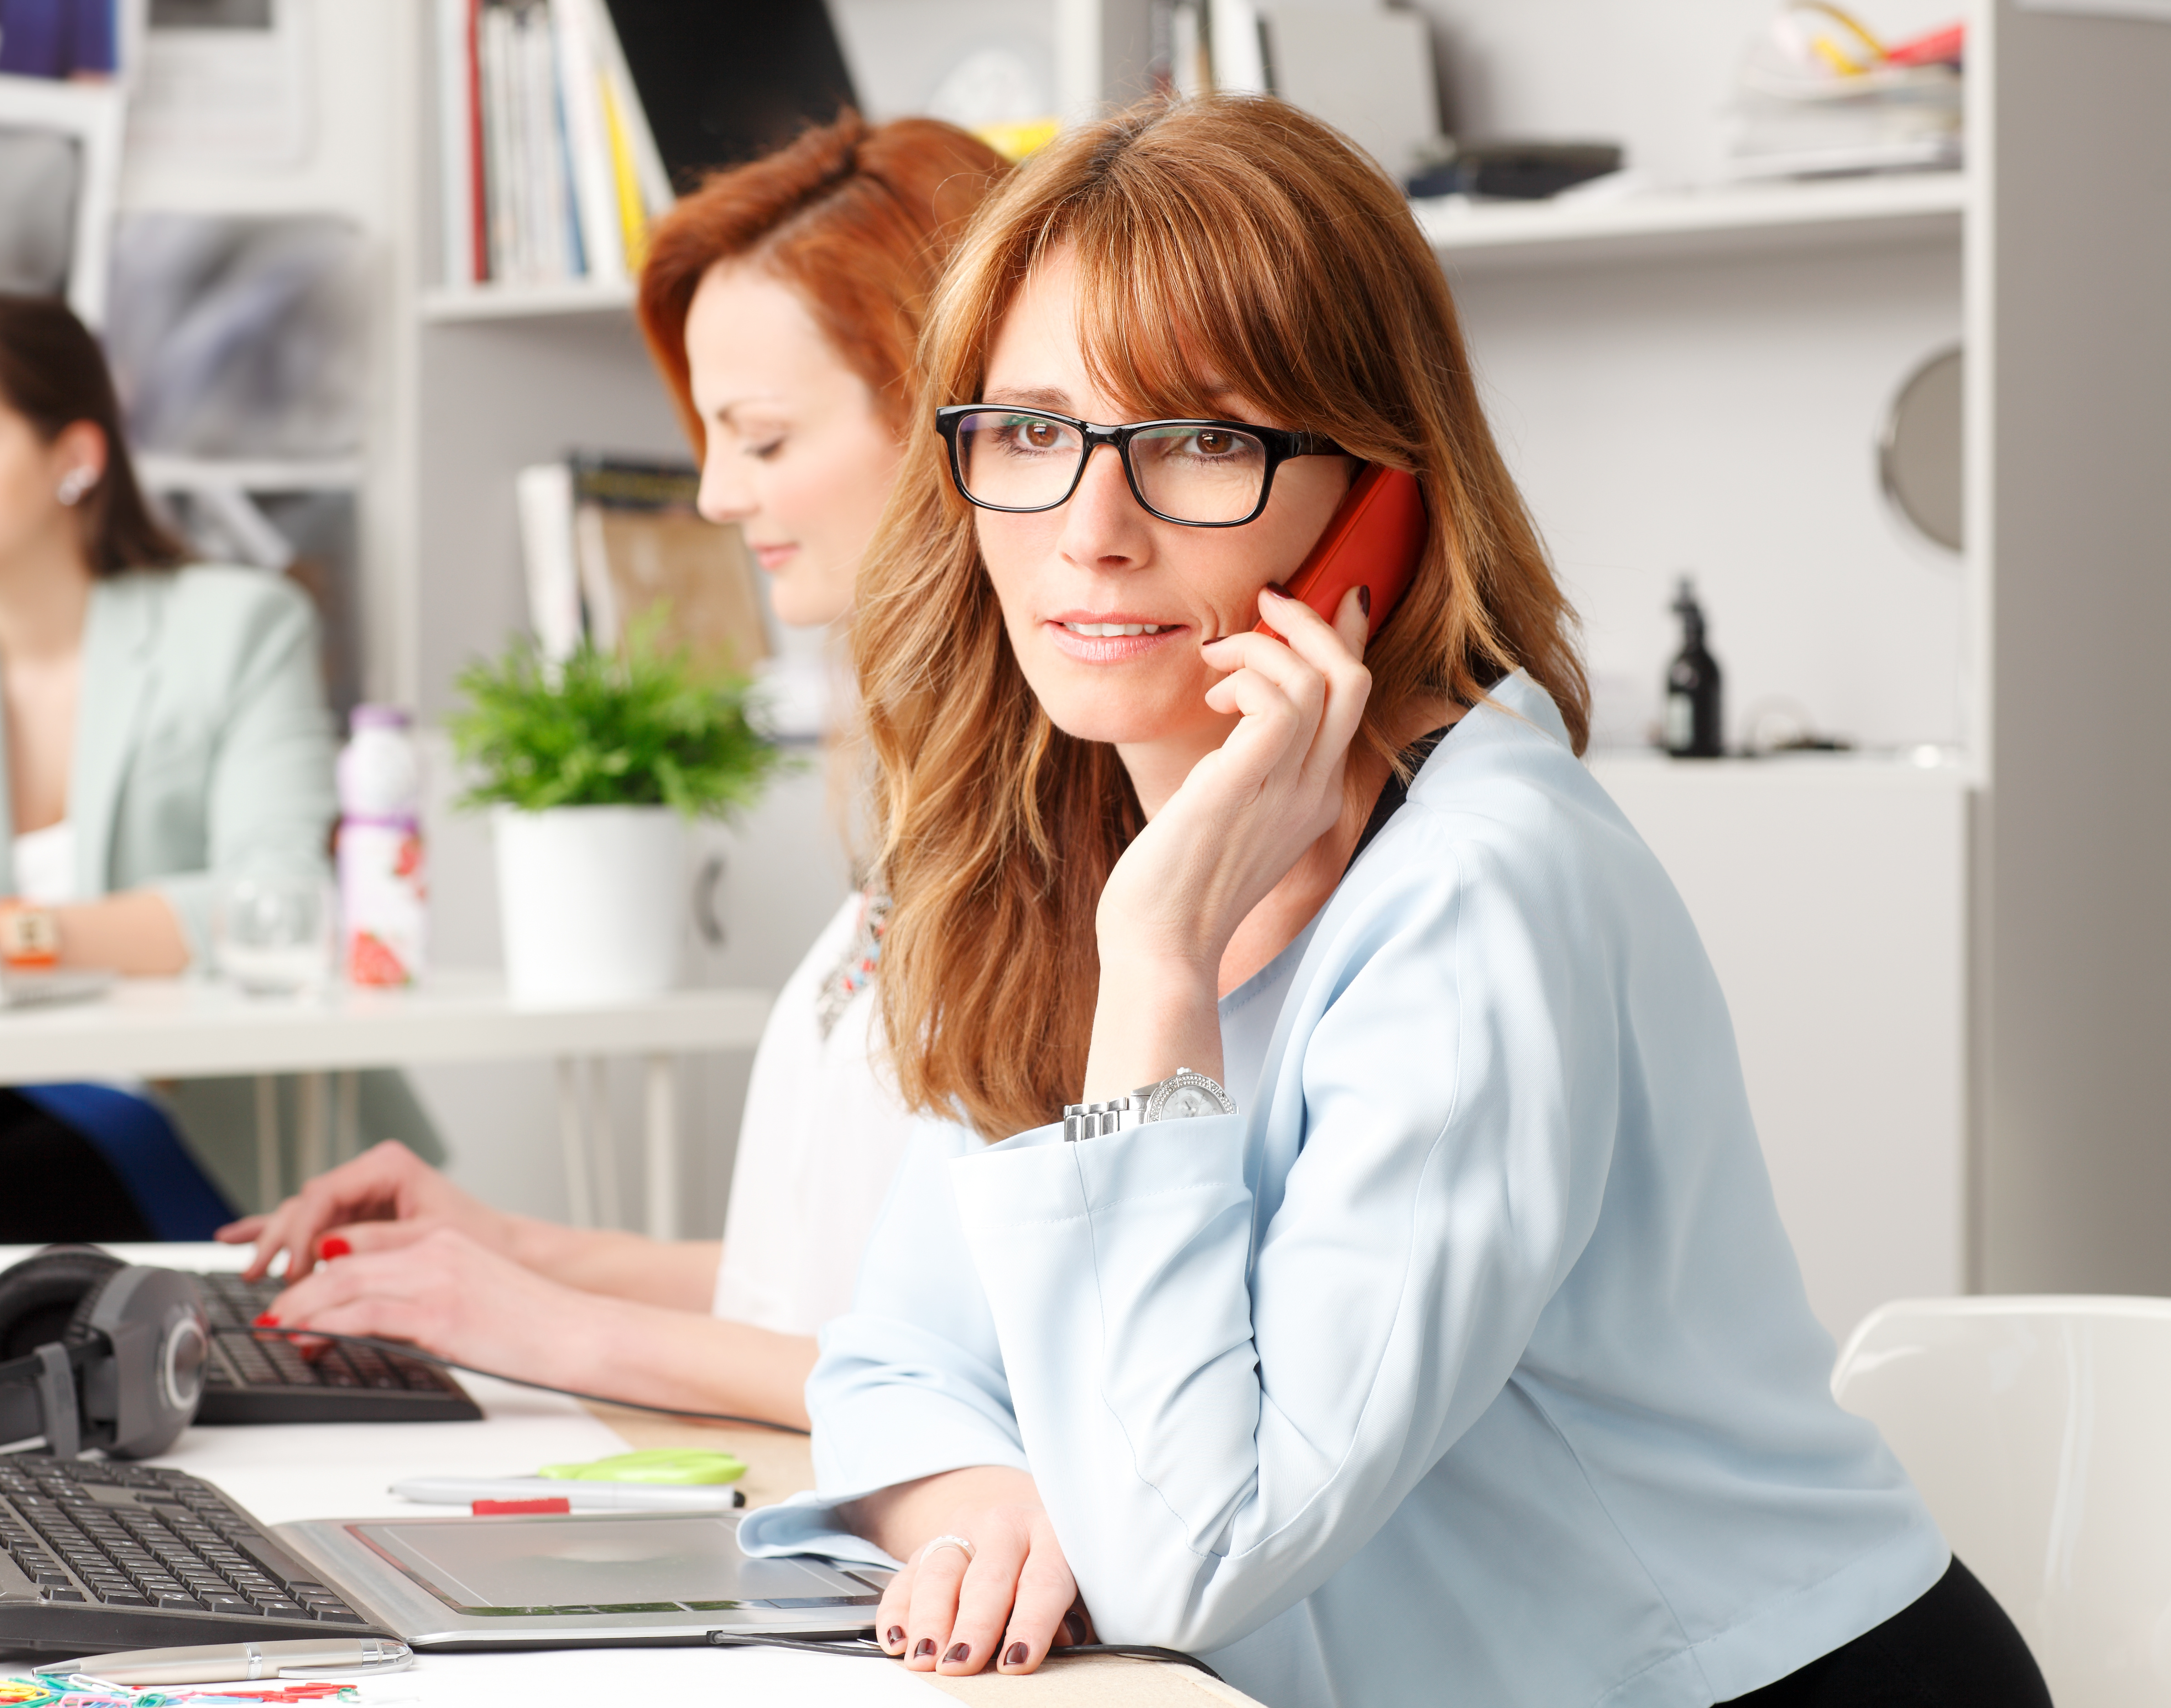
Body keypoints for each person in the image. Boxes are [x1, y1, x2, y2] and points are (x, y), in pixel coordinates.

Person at [734, 96, 2051, 1708]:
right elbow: (890, 1357)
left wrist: (1156, 965)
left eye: (1202, 442)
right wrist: (985, 1503)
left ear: (1380, 491)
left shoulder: (1478, 889)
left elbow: (1186, 1556)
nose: (1090, 531)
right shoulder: (1059, 829)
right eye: (1026, 432)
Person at [225, 115, 1009, 1429]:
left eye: (760, 439)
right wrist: (516, 1252)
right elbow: (825, 1292)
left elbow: (977, 1387)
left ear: (958, 420)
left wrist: (546, 1328)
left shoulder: (1075, 833)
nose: (713, 494)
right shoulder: (923, 797)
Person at [0, 292, 440, 1237]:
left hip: (191, 1116)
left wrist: (21, 935)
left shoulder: (236, 626)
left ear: (76, 460)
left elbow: (281, 900)